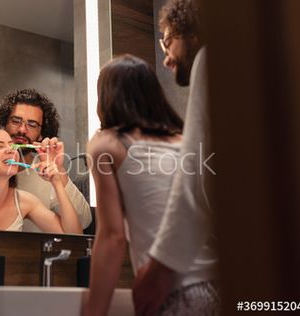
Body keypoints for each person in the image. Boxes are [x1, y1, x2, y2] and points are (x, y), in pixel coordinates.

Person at [132, 0, 219, 315]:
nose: (165, 58)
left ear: (191, 33)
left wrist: (161, 266)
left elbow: (195, 170)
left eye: (168, 41)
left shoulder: (210, 59)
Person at [83, 54, 185, 316]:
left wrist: (94, 312)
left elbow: (112, 237)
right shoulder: (186, 142)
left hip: (172, 292)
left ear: (106, 96)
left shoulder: (106, 143)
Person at [0, 88, 92, 233]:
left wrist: (59, 171)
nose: (22, 130)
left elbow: (84, 222)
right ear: (4, 124)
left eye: (32, 124)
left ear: (41, 134)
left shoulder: (45, 174)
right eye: (16, 121)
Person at [0, 125, 82, 235]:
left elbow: (73, 235)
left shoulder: (25, 201)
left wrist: (56, 181)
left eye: (13, 145)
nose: (12, 150)